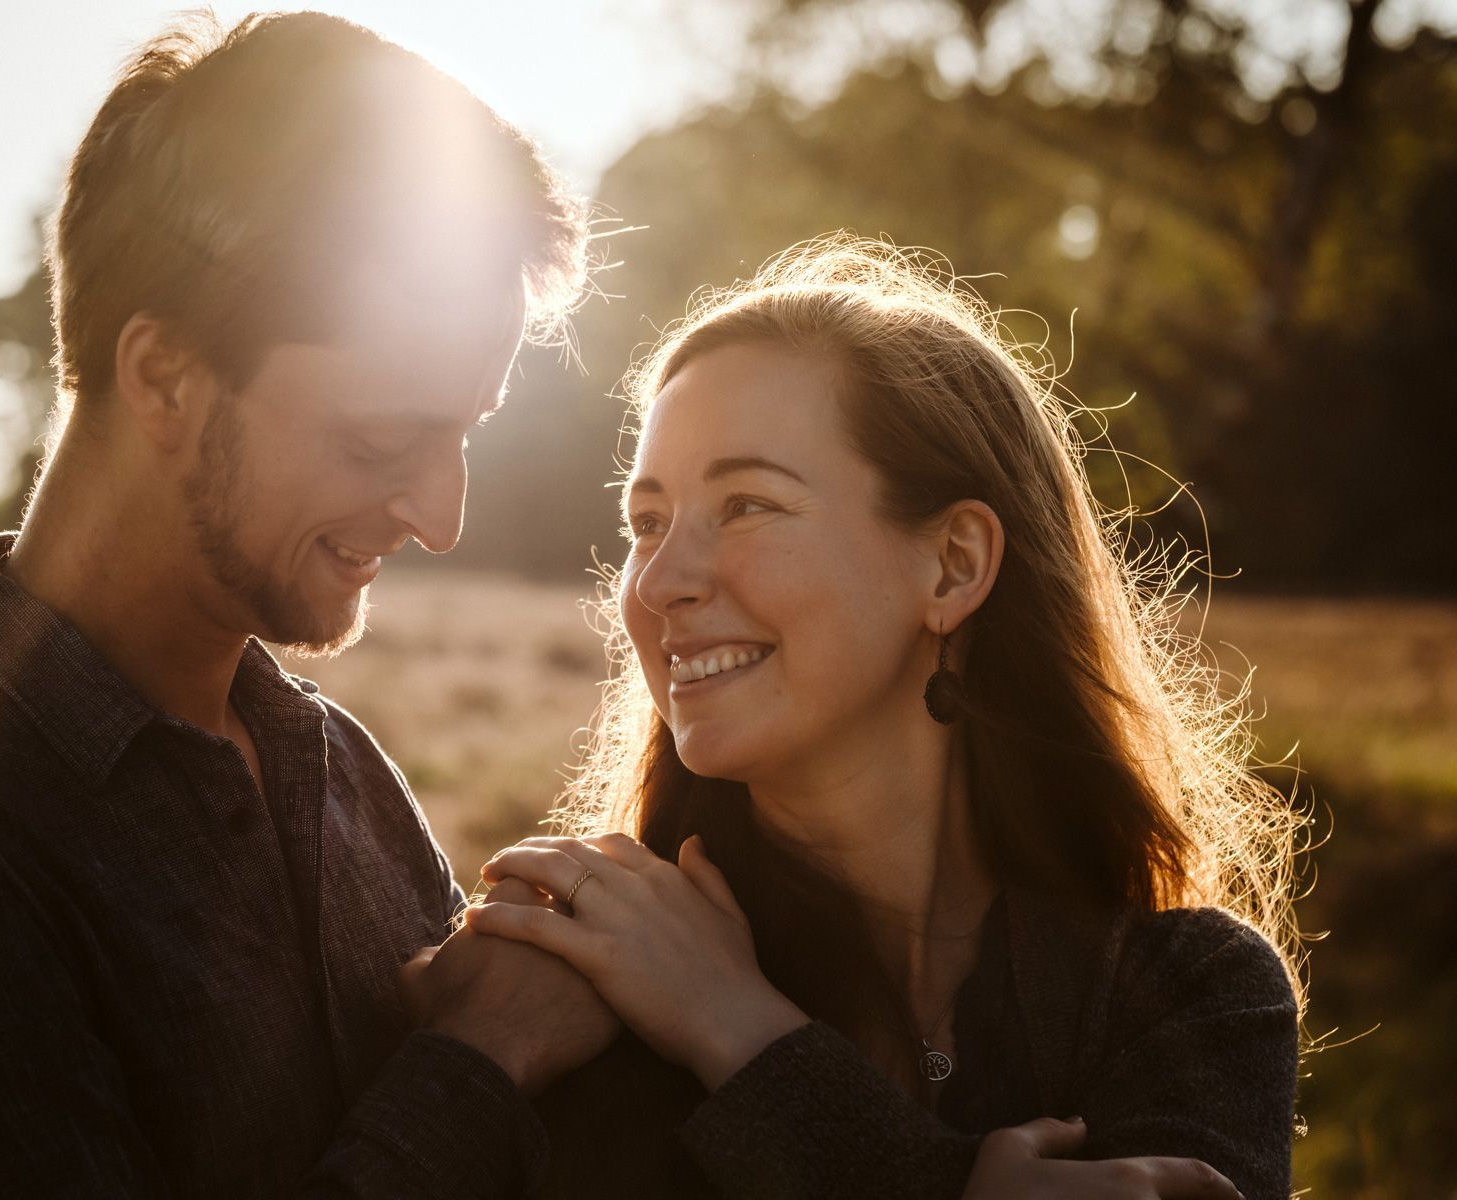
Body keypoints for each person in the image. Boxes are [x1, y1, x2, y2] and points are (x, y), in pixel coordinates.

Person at [0, 12, 622, 1197]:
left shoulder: (334, 767)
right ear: (162, 376)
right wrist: (477, 1060)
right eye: (382, 437)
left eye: (465, 431)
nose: (439, 515)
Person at [464, 236, 1305, 1199]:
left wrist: (734, 1028)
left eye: (745, 505)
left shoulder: (1186, 995)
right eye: (646, 522)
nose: (658, 581)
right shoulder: (576, 982)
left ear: (952, 565)